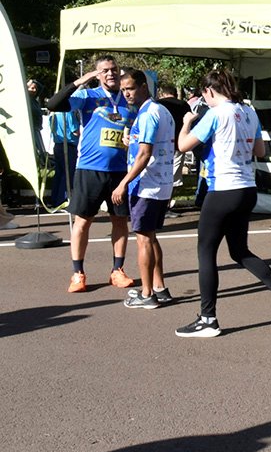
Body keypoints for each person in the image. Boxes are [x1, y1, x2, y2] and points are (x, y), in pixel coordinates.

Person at [174, 69, 271, 337]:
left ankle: (208, 318)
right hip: (246, 188)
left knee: (206, 251)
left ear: (209, 91)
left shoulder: (215, 113)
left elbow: (183, 145)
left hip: (223, 189)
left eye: (204, 95)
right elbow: (259, 150)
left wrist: (186, 122)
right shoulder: (249, 112)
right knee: (239, 251)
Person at [46, 56, 135, 294]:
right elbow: (53, 104)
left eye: (113, 69)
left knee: (120, 221)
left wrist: (132, 140)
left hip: (119, 171)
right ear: (97, 74)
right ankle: (78, 273)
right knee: (83, 221)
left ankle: (117, 270)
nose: (110, 74)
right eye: (104, 70)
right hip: (89, 169)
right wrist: (80, 81)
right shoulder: (87, 96)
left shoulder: (128, 98)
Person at [112, 70, 176, 309]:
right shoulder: (161, 110)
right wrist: (131, 142)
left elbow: (145, 154)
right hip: (160, 183)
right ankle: (159, 287)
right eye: (123, 90)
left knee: (143, 240)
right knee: (150, 237)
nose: (126, 94)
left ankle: (147, 293)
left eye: (130, 88)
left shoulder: (149, 113)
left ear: (143, 86)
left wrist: (123, 183)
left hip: (147, 185)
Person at [156, 83, 189, 190]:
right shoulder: (184, 104)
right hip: (179, 139)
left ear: (163, 93)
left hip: (162, 140)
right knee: (176, 164)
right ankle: (173, 186)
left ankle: (162, 185)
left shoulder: (159, 104)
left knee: (161, 165)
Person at [48, 100, 80, 209]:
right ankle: (62, 200)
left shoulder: (53, 115)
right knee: (67, 174)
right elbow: (75, 131)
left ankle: (54, 199)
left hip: (57, 145)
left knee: (59, 173)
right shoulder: (68, 113)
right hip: (68, 145)